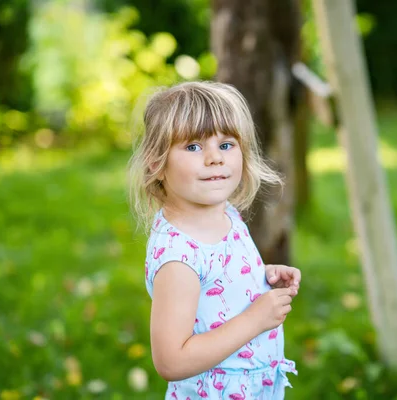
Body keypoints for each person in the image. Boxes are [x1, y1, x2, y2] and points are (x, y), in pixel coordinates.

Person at [128, 81, 301, 399]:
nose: (214, 158)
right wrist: (255, 319)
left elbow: (219, 281)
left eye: (226, 145)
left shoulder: (226, 214)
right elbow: (170, 360)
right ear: (156, 163)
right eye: (193, 147)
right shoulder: (179, 258)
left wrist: (261, 277)